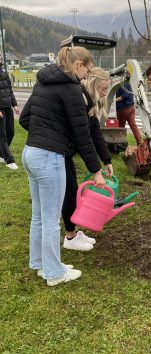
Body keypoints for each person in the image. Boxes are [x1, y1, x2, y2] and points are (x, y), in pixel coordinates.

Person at [19, 46, 106, 287]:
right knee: (49, 219)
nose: (87, 75)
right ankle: (54, 273)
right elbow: (82, 136)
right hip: (48, 157)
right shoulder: (70, 89)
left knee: (39, 216)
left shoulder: (43, 82)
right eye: (87, 70)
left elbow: (25, 119)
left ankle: (39, 263)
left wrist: (45, 133)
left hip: (30, 152)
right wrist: (97, 170)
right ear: (78, 64)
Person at [62, 67, 113, 251]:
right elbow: (84, 139)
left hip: (64, 151)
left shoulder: (90, 102)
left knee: (72, 190)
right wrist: (96, 171)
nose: (106, 93)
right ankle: (70, 236)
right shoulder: (80, 99)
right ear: (94, 84)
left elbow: (94, 133)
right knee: (69, 193)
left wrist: (106, 159)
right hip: (57, 151)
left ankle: (73, 232)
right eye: (104, 88)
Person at [0, 54, 20, 170]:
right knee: (2, 135)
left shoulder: (3, 70)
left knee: (10, 132)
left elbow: (9, 89)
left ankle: (1, 154)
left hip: (7, 106)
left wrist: (15, 105)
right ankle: (9, 160)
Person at [115, 74, 142, 146]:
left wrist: (114, 100)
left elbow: (125, 95)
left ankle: (121, 143)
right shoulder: (128, 83)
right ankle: (139, 143)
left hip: (123, 109)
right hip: (131, 107)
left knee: (121, 127)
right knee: (133, 125)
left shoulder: (120, 84)